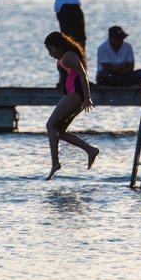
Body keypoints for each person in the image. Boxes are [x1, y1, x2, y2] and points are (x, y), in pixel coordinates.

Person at [43, 31, 99, 180]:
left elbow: (82, 74)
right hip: (72, 96)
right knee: (59, 131)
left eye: (51, 50)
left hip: (75, 96)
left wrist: (87, 98)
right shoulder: (64, 57)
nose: (50, 54)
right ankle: (90, 150)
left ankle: (55, 163)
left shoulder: (69, 56)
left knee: (50, 126)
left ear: (59, 47)